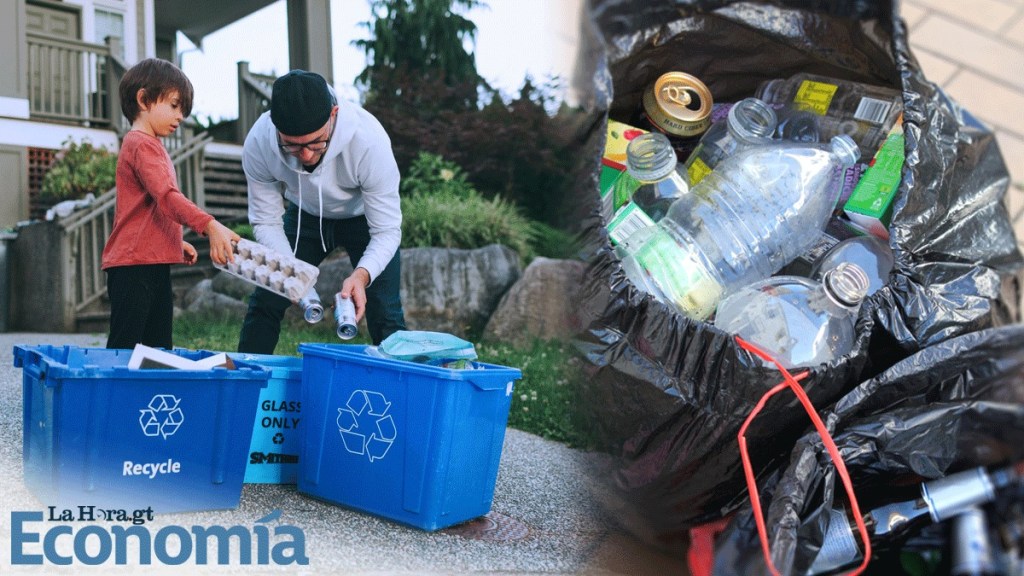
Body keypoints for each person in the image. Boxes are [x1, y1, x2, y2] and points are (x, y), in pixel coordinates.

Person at [237, 70, 406, 353]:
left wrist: (361, 275)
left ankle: (401, 392)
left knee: (385, 310)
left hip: (362, 218)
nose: (304, 155)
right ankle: (246, 386)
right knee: (268, 298)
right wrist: (290, 270)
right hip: (305, 216)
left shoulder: (369, 141)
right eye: (291, 144)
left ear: (333, 114)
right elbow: (265, 220)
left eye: (315, 142)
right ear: (274, 126)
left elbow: (387, 230)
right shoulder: (259, 143)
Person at [102, 58, 240, 350]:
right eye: (175, 105)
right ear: (143, 99)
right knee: (125, 347)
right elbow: (166, 197)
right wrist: (209, 224)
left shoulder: (151, 145)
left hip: (149, 260)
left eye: (184, 110)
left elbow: (150, 208)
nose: (181, 116)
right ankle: (112, 396)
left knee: (158, 345)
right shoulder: (141, 144)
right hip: (132, 266)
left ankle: (149, 395)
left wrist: (173, 241)